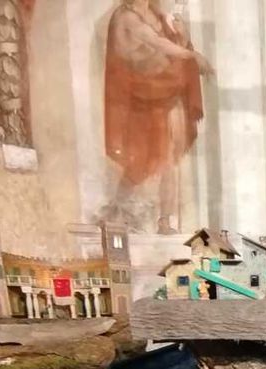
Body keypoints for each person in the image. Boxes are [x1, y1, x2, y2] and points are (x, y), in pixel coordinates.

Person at [103, 0, 213, 235]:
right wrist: (192, 55)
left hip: (166, 91)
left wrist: (183, 38)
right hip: (142, 98)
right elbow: (157, 43)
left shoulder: (155, 14)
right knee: (143, 160)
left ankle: (164, 220)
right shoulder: (126, 18)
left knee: (170, 158)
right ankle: (115, 210)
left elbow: (170, 50)